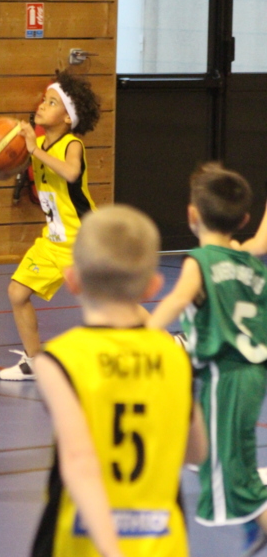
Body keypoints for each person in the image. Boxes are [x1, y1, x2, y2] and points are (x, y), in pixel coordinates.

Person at [32, 204, 207, 557]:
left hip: (81, 543)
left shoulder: (59, 359)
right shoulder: (173, 354)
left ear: (72, 280)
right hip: (162, 541)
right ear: (153, 286)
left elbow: (80, 461)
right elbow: (196, 452)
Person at [148, 162, 267, 557]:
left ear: (191, 215)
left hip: (226, 374)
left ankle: (258, 518)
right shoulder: (248, 261)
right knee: (217, 454)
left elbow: (178, 299)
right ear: (244, 220)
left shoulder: (200, 261)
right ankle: (253, 520)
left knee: (228, 464)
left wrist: (143, 333)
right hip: (251, 373)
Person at [0, 70, 100, 381]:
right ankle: (34, 361)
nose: (42, 105)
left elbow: (70, 173)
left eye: (52, 102)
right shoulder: (38, 144)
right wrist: (1, 151)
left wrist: (34, 150)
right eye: (44, 99)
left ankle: (167, 342)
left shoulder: (71, 144)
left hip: (83, 241)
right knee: (17, 292)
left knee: (110, 303)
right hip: (53, 240)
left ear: (68, 118)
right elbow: (4, 173)